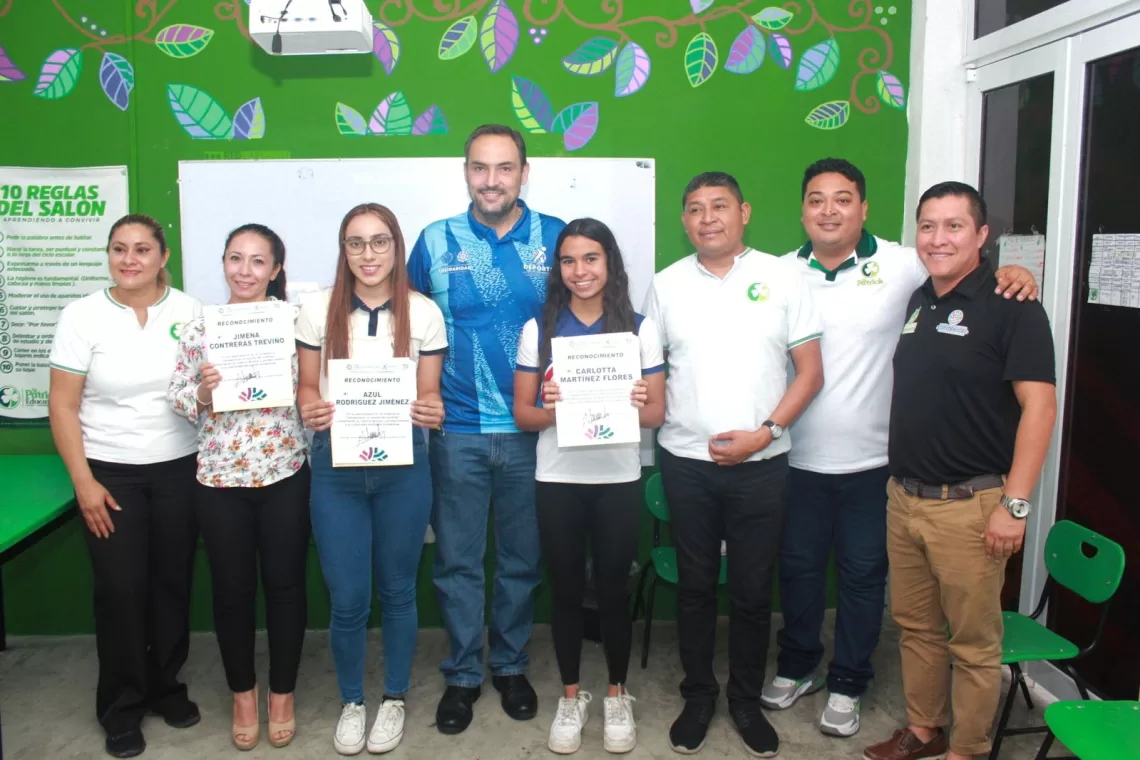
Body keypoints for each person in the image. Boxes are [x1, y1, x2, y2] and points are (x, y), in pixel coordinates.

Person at [762, 159, 1040, 738]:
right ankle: (798, 665)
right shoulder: (781, 274)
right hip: (797, 459)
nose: (830, 210)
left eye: (844, 199)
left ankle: (848, 682)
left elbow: (968, 275)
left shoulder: (905, 264)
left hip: (876, 467)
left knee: (864, 580)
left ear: (864, 208)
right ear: (803, 210)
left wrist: (1013, 271)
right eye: (817, 199)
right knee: (800, 571)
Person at [862, 182, 1057, 760]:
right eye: (928, 226)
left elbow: (1040, 408)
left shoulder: (1012, 306)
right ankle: (924, 730)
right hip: (906, 499)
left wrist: (1014, 505)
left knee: (973, 646)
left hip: (971, 508)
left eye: (953, 226)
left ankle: (965, 751)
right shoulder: (921, 297)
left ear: (981, 235)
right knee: (917, 629)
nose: (938, 238)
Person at [642, 172, 824, 757]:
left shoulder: (784, 277)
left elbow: (811, 374)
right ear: (684, 221)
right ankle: (699, 695)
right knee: (694, 589)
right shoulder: (665, 286)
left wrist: (765, 433)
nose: (707, 218)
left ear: (744, 212)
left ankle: (745, 700)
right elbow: (652, 376)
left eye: (719, 206)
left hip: (763, 462)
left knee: (750, 591)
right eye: (694, 209)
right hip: (685, 462)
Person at [407, 124, 566, 734]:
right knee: (457, 562)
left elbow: (582, 321)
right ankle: (464, 674)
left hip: (535, 430)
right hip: (459, 431)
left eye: (505, 167)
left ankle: (510, 665)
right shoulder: (433, 240)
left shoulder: (557, 238)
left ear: (525, 172)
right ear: (465, 172)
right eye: (480, 168)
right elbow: (410, 328)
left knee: (523, 559)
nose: (492, 179)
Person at [47, 213, 203, 759]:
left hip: (180, 467)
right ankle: (122, 706)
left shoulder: (190, 310)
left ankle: (166, 688)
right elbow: (62, 406)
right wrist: (83, 481)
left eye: (141, 249)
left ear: (163, 257)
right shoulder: (82, 316)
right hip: (109, 473)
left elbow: (205, 390)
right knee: (119, 593)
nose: (129, 259)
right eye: (119, 249)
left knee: (170, 585)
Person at [296, 203, 447, 755]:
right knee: (348, 598)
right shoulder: (315, 311)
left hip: (404, 466)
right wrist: (310, 407)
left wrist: (430, 410)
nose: (368, 254)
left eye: (379, 242)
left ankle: (395, 699)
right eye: (356, 243)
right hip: (335, 468)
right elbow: (307, 389)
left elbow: (429, 395)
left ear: (396, 247)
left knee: (398, 590)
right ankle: (353, 702)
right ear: (343, 250)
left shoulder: (423, 312)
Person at [513, 218, 666, 755]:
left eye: (591, 259)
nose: (580, 271)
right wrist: (552, 411)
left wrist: (637, 400)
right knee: (566, 591)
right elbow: (523, 414)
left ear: (611, 264)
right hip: (557, 479)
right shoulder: (541, 327)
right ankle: (572, 695)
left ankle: (617, 694)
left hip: (617, 480)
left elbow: (657, 415)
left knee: (612, 590)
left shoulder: (639, 328)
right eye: (569, 260)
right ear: (559, 268)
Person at [166, 223, 310, 751]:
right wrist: (202, 392)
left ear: (275, 270)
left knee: (286, 586)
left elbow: (313, 391)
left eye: (257, 261)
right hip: (219, 478)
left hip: (285, 474)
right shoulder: (199, 327)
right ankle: (243, 695)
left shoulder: (296, 323)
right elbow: (178, 397)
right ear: (223, 263)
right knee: (231, 592)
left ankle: (283, 695)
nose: (244, 271)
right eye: (235, 259)